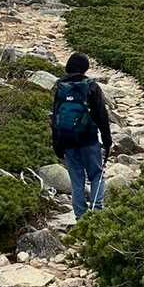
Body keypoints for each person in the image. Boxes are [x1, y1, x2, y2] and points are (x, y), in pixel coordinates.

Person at [50, 51, 112, 219]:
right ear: (85, 68)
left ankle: (80, 218)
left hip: (67, 140)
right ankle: (97, 212)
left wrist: (57, 144)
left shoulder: (60, 87)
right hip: (88, 139)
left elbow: (55, 117)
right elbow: (101, 116)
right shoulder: (91, 86)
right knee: (96, 175)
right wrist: (107, 140)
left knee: (77, 180)